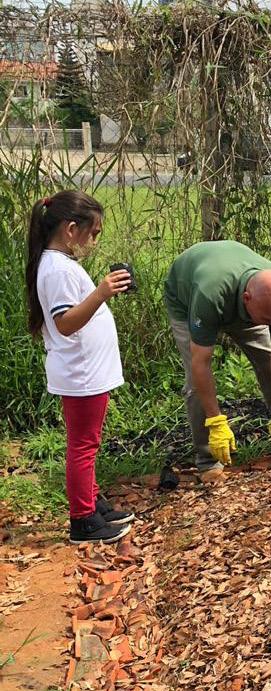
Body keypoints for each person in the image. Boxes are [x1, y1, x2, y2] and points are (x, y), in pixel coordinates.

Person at [164, 240, 271, 480]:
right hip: (189, 299)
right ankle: (208, 461)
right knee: (195, 381)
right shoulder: (210, 294)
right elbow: (201, 363)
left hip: (243, 303)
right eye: (267, 319)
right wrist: (216, 421)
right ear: (248, 298)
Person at [25, 191, 134, 544]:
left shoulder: (60, 263)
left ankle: (93, 503)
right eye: (94, 232)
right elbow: (66, 323)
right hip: (80, 374)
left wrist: (102, 291)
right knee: (83, 446)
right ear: (71, 229)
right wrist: (100, 293)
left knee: (88, 443)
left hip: (87, 372)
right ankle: (82, 520)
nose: (95, 240)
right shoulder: (56, 270)